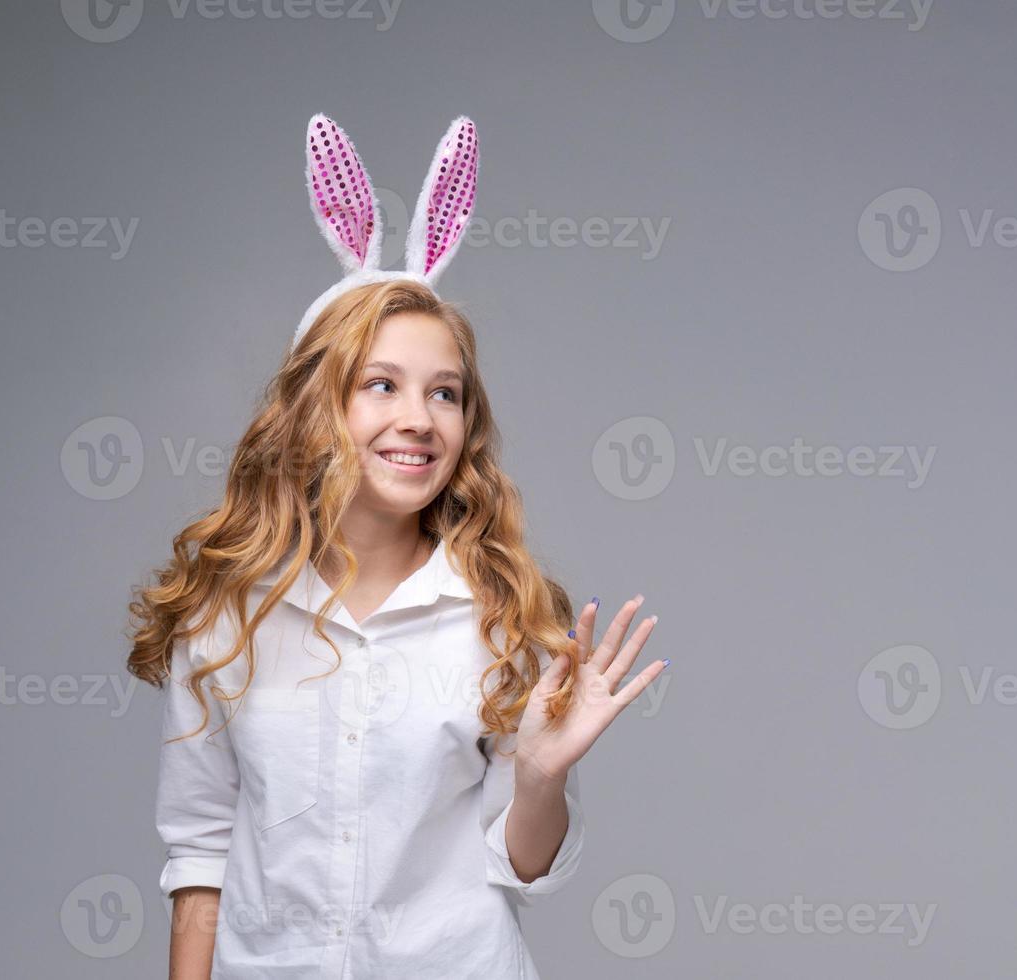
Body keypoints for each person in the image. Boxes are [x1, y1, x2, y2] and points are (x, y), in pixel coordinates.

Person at [126, 113, 667, 979]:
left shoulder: (503, 617)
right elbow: (199, 858)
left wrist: (539, 777)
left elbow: (518, 871)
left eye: (444, 393)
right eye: (381, 385)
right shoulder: (224, 618)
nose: (418, 418)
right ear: (314, 409)